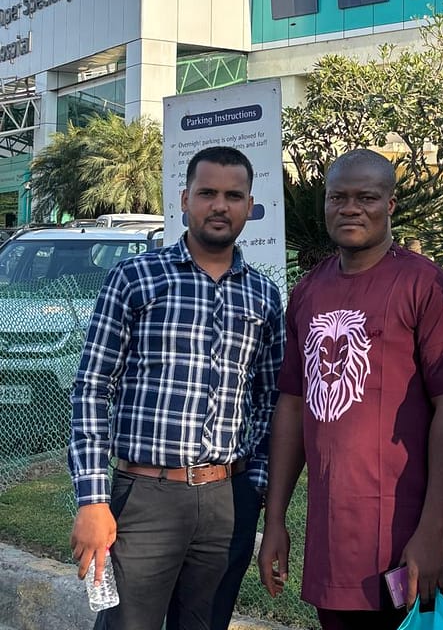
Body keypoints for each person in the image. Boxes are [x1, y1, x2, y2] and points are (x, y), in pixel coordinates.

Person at [68, 145, 285, 630]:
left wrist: (254, 484)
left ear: (250, 206)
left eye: (233, 196)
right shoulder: (135, 278)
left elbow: (270, 400)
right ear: (185, 200)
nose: (219, 206)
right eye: (207, 193)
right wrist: (93, 499)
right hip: (144, 497)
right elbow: (92, 388)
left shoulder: (264, 296)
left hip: (226, 502)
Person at [258, 148, 443, 630]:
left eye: (366, 198)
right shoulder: (308, 290)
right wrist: (275, 520)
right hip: (331, 539)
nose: (350, 208)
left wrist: (434, 530)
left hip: (405, 533)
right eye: (338, 197)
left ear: (390, 205)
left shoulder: (427, 286)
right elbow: (293, 405)